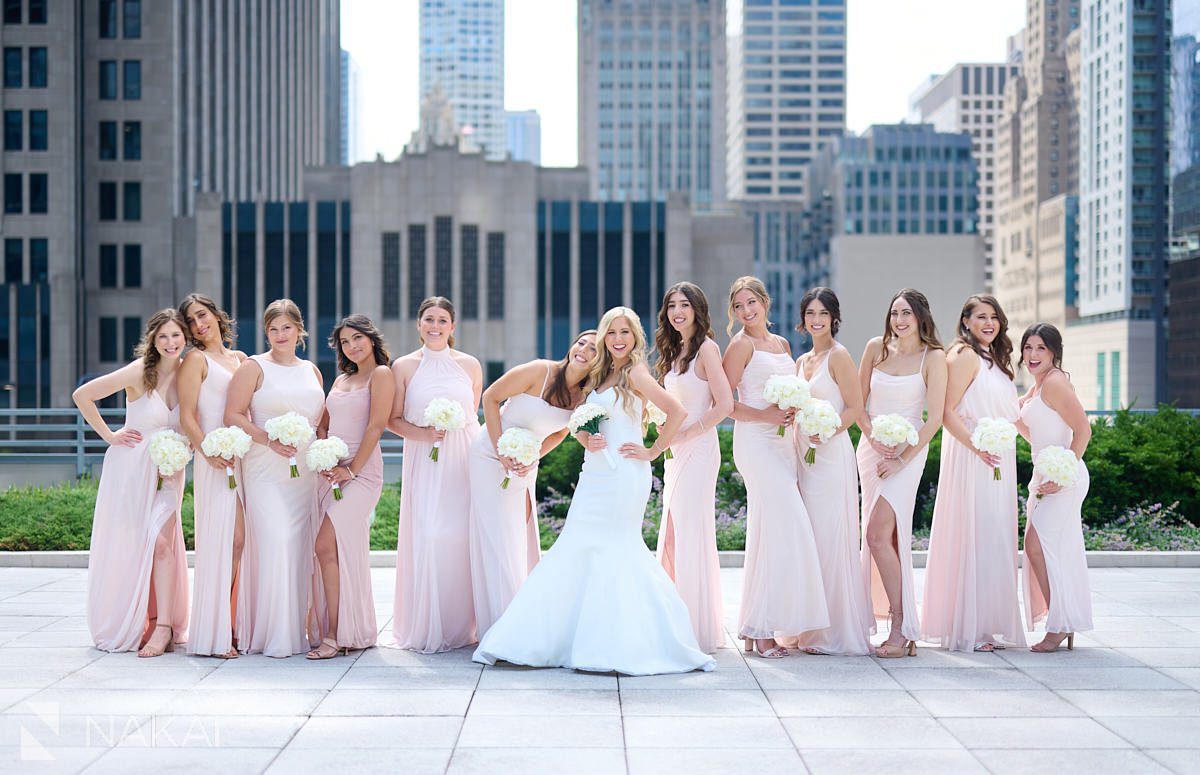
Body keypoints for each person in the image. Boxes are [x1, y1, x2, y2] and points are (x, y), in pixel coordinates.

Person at [474, 307, 715, 675]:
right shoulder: (600, 375)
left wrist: (653, 449)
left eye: (625, 332)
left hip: (624, 476)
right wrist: (587, 437)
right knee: (574, 548)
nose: (618, 339)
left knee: (617, 551)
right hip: (594, 475)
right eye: (612, 332)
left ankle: (619, 646)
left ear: (635, 337)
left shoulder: (635, 372)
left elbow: (676, 411)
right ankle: (540, 639)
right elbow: (576, 426)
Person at [74, 309, 190, 656]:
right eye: (163, 336)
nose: (171, 343)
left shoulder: (189, 374)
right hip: (132, 468)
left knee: (163, 545)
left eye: (177, 336)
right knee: (134, 545)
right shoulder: (140, 371)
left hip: (170, 468)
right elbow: (83, 395)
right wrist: (110, 435)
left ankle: (164, 627)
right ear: (154, 340)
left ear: (186, 339)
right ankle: (137, 617)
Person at [723, 276, 829, 658]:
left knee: (770, 531)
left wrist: (801, 414)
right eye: (739, 306)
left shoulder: (783, 345)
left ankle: (759, 628)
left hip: (785, 445)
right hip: (755, 443)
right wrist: (766, 416)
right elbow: (725, 403)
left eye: (752, 303)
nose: (747, 311)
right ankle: (762, 629)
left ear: (765, 303)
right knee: (789, 524)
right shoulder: (739, 346)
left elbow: (793, 399)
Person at [468, 330, 595, 637]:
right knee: (496, 534)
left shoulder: (584, 396)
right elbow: (491, 396)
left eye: (593, 349)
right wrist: (500, 451)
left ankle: (520, 615)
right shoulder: (540, 370)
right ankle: (500, 625)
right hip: (488, 456)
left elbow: (561, 432)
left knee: (518, 533)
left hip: (524, 465)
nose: (583, 351)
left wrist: (534, 455)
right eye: (581, 342)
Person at [923, 294, 1026, 652]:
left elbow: (1012, 413)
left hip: (998, 457)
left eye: (994, 317)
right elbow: (946, 411)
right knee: (975, 534)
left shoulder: (995, 359)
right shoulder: (963, 355)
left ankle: (987, 623)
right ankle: (970, 626)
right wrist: (975, 445)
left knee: (995, 537)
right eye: (981, 316)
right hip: (973, 455)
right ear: (965, 321)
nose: (989, 323)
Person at [225, 299, 325, 657]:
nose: (280, 335)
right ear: (265, 332)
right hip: (265, 470)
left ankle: (300, 626)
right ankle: (272, 633)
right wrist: (270, 439)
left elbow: (319, 421)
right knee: (277, 541)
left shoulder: (312, 370)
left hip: (305, 474)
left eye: (286, 327)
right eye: (273, 328)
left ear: (299, 330)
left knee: (301, 547)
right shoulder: (254, 367)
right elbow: (233, 414)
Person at [389, 297, 483, 653]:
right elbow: (393, 419)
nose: (435, 326)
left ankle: (462, 626)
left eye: (443, 320)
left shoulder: (470, 365)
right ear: (418, 324)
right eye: (429, 319)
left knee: (460, 537)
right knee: (429, 534)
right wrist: (426, 434)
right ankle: (429, 623)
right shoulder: (403, 367)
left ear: (453, 326)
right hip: (425, 459)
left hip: (462, 459)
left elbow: (472, 416)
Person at [858, 288, 947, 658]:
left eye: (907, 313)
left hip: (907, 455)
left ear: (921, 316)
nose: (900, 320)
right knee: (882, 539)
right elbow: (856, 404)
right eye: (895, 313)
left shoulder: (934, 357)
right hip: (871, 450)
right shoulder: (874, 348)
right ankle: (893, 622)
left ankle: (900, 624)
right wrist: (872, 439)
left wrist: (901, 457)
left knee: (878, 535)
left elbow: (935, 419)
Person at [785, 287, 873, 656]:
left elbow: (854, 407)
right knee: (807, 540)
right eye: (810, 313)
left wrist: (827, 429)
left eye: (823, 313)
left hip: (832, 453)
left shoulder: (839, 357)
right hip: (803, 453)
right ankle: (806, 624)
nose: (816, 320)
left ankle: (832, 630)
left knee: (830, 538)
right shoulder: (801, 361)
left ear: (833, 318)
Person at [308, 315, 395, 658]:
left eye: (357, 338)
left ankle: (334, 634)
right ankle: (349, 629)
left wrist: (351, 469)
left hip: (362, 474)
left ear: (371, 339)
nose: (352, 346)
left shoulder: (382, 375)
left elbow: (376, 427)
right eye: (345, 342)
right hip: (330, 472)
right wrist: (325, 456)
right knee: (334, 550)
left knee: (324, 544)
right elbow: (323, 425)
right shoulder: (342, 380)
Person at [653, 282, 733, 654]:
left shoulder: (706, 348)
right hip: (675, 452)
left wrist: (687, 433)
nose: (677, 312)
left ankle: (692, 626)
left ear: (698, 310)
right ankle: (672, 619)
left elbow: (724, 404)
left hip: (699, 449)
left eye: (685, 305)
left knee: (684, 534)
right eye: (672, 306)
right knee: (670, 532)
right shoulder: (673, 351)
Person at [177, 293, 247, 659]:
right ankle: (215, 631)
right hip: (215, 459)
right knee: (224, 540)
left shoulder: (241, 360)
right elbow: (188, 416)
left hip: (245, 459)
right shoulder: (195, 360)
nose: (198, 324)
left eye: (202, 315)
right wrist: (209, 452)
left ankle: (235, 624)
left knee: (243, 543)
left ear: (217, 316)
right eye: (191, 321)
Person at [1016, 323, 1093, 652]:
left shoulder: (1056, 382)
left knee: (1036, 546)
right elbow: (1038, 436)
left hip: (1066, 479)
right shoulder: (1036, 388)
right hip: (1044, 478)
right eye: (1028, 348)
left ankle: (1059, 624)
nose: (1033, 355)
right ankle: (1063, 621)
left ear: (1054, 353)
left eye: (1040, 349)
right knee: (1048, 550)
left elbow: (1083, 431)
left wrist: (1064, 474)